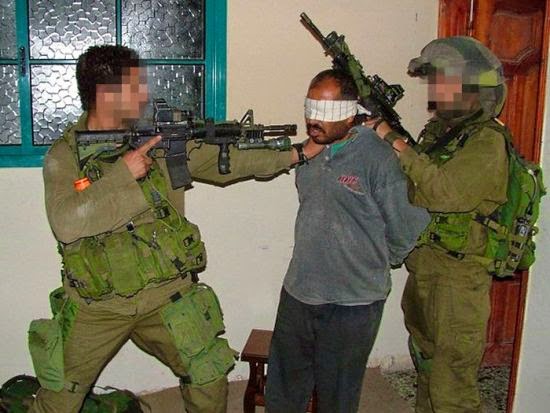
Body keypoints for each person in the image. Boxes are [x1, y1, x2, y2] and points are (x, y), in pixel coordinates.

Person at [30, 44, 322, 413]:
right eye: (135, 86)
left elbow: (227, 161)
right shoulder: (66, 156)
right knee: (59, 397)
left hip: (164, 293)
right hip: (98, 304)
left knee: (208, 374)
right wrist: (123, 175)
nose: (144, 94)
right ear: (107, 93)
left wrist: (296, 154)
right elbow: (66, 223)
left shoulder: (156, 140)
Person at [264, 69, 430, 413]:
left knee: (337, 396)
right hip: (300, 291)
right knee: (283, 392)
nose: (314, 119)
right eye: (310, 108)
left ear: (351, 113)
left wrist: (370, 262)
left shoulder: (378, 158)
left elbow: (409, 225)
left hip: (353, 304)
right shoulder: (310, 154)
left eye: (325, 112)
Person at [370, 36, 509, 412]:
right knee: (428, 369)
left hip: (457, 281)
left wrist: (395, 142)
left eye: (445, 81)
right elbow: (414, 188)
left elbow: (444, 193)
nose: (436, 90)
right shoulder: (442, 133)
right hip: (426, 269)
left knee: (452, 388)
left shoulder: (487, 142)